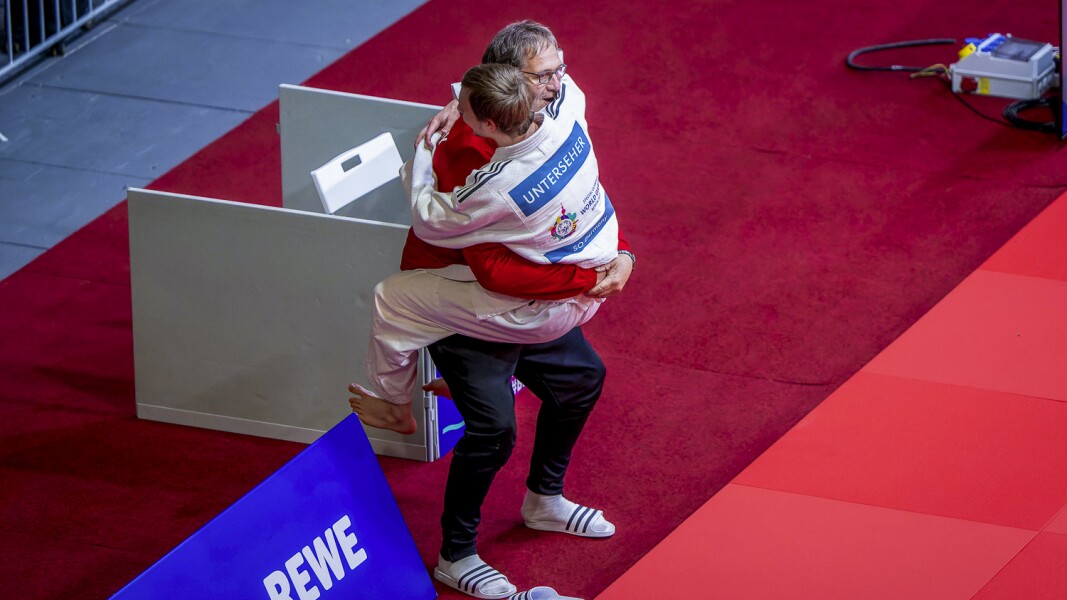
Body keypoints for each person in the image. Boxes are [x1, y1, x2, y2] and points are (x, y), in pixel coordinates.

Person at [349, 21, 634, 599]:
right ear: (502, 95)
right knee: (494, 429)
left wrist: (618, 255)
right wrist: (590, 279)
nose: (557, 84)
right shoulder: (469, 156)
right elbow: (493, 270)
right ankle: (456, 555)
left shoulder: (552, 111)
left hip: (535, 293)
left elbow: (581, 211)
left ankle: (544, 500)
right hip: (466, 297)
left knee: (581, 379)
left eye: (558, 70)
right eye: (544, 75)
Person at [349, 62, 619, 439]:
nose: (458, 115)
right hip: (597, 270)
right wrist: (454, 103)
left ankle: (395, 404)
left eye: (464, 112)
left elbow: (428, 220)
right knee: (455, 279)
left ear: (488, 125)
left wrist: (425, 150)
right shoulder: (569, 116)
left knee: (391, 298)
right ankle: (464, 381)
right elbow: (561, 76)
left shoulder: (496, 186)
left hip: (551, 305)